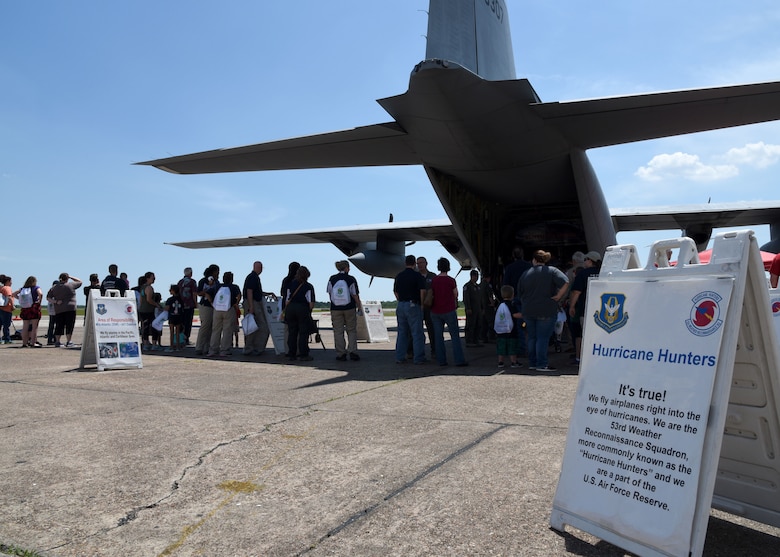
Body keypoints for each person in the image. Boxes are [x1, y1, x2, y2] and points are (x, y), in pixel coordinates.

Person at [518, 250, 569, 372]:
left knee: (532, 337)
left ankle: (533, 363)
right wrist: (559, 296)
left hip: (528, 310)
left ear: (534, 260)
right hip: (546, 309)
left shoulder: (526, 273)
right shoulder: (552, 271)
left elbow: (520, 292)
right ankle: (541, 364)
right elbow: (566, 282)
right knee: (542, 338)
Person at [430, 257, 467, 367]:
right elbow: (456, 294)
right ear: (448, 267)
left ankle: (441, 360)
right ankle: (459, 360)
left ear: (438, 267)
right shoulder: (451, 280)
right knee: (455, 336)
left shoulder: (434, 280)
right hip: (449, 310)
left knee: (438, 336)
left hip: (436, 311)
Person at [568, 251, 602, 365]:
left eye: (586, 259)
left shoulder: (583, 274)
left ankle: (580, 359)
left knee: (581, 335)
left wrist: (572, 306)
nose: (584, 262)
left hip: (585, 309)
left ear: (590, 260)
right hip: (602, 310)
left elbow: (576, 292)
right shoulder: (604, 273)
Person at [393, 255, 427, 364]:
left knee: (402, 333)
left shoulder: (399, 276)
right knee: (417, 333)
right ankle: (419, 358)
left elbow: (395, 292)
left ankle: (399, 357)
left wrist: (401, 300)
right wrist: (422, 304)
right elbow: (422, 291)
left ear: (405, 263)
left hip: (401, 305)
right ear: (414, 264)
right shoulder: (417, 276)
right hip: (413, 304)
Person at [327, 260, 362, 361]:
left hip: (335, 308)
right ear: (346, 268)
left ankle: (341, 353)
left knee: (338, 331)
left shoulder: (332, 279)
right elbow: (355, 294)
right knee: (351, 330)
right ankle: (352, 351)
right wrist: (359, 306)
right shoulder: (351, 279)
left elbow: (330, 293)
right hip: (349, 307)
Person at [503, 246, 531, 356]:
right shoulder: (529, 267)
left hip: (515, 298)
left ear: (513, 256)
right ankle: (531, 349)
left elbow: (506, 284)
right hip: (528, 298)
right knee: (530, 324)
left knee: (518, 325)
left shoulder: (509, 268)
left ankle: (521, 349)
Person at [243, 261, 274, 356]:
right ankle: (257, 348)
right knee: (262, 326)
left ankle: (251, 348)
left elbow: (256, 292)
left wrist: (268, 293)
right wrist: (251, 306)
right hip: (253, 303)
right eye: (260, 268)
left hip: (253, 302)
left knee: (252, 326)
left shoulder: (253, 277)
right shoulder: (253, 277)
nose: (261, 270)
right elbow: (250, 291)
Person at [284, 266, 315, 361]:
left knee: (292, 332)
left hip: (290, 309)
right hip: (302, 309)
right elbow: (311, 302)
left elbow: (287, 300)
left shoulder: (290, 284)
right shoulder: (308, 286)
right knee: (303, 333)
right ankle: (303, 354)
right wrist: (308, 311)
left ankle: (291, 354)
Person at [210, 271, 242, 357]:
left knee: (216, 330)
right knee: (227, 330)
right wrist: (236, 303)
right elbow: (239, 295)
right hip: (228, 308)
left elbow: (208, 293)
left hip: (217, 309)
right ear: (231, 279)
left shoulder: (218, 286)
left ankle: (213, 349)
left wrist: (212, 303)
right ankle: (224, 350)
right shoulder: (234, 287)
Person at [48, 273, 83, 348]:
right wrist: (70, 277)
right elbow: (80, 281)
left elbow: (48, 297)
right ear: (67, 279)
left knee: (59, 325)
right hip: (70, 308)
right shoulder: (71, 285)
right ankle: (69, 341)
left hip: (59, 308)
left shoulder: (54, 287)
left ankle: (57, 341)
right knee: (69, 325)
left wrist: (56, 302)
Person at [494, 285, 522, 369]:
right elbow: (515, 315)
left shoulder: (500, 304)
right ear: (512, 294)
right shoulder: (511, 304)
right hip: (511, 332)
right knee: (512, 347)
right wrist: (523, 315)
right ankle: (513, 361)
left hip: (500, 331)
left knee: (501, 347)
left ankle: (500, 362)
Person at [195, 264, 220, 355]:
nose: (218, 274)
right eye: (217, 272)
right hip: (205, 305)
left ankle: (207, 347)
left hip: (214, 305)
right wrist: (207, 291)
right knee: (205, 326)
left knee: (211, 327)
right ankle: (199, 346)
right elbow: (199, 293)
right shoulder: (203, 281)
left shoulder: (217, 282)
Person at [13, 276, 44, 347]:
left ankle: (24, 343)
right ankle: (33, 343)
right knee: (34, 327)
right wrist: (39, 301)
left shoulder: (23, 289)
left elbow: (14, 294)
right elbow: (41, 294)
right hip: (34, 308)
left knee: (25, 326)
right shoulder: (36, 288)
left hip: (25, 308)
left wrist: (20, 299)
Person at [416, 256, 436, 357]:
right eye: (417, 263)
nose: (419, 265)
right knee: (416, 331)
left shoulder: (432, 276)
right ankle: (416, 352)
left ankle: (434, 350)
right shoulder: (415, 276)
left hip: (430, 307)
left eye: (421, 263)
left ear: (426, 263)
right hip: (418, 306)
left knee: (432, 330)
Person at [138, 271, 162, 351]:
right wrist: (157, 305)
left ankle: (145, 343)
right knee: (154, 326)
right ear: (148, 278)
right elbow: (149, 299)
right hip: (148, 310)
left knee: (145, 327)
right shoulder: (149, 288)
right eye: (153, 277)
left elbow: (141, 300)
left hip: (142, 310)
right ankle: (154, 343)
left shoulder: (142, 287)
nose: (154, 279)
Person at [177, 267, 198, 345]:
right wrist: (196, 303)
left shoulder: (180, 282)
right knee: (188, 322)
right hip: (189, 304)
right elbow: (194, 293)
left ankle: (180, 338)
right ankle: (186, 338)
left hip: (181, 305)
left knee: (181, 322)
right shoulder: (192, 282)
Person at [462, 269, 482, 346]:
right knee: (470, 324)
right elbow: (466, 298)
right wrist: (468, 308)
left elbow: (480, 298)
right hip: (471, 308)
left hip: (478, 309)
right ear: (472, 276)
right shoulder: (467, 286)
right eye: (475, 276)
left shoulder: (477, 287)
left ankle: (476, 340)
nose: (476, 278)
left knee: (478, 324)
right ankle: (469, 340)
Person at [479, 271, 497, 344]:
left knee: (483, 323)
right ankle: (492, 336)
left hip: (481, 307)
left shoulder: (479, 285)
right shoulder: (488, 285)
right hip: (488, 306)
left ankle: (483, 337)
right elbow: (490, 296)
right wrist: (493, 304)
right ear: (488, 278)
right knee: (491, 322)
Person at [164, 284, 184, 352]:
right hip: (179, 317)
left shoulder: (170, 300)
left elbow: (167, 308)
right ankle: (178, 346)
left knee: (172, 332)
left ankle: (171, 346)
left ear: (173, 291)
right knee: (177, 332)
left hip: (172, 317)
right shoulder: (181, 299)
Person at [0, 275, 14, 344]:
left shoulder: (1, 288)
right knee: (6, 325)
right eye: (11, 281)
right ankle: (7, 339)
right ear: (7, 281)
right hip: (6, 309)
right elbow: (9, 297)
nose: (11, 283)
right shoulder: (7, 288)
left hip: (0, 308)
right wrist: (13, 306)